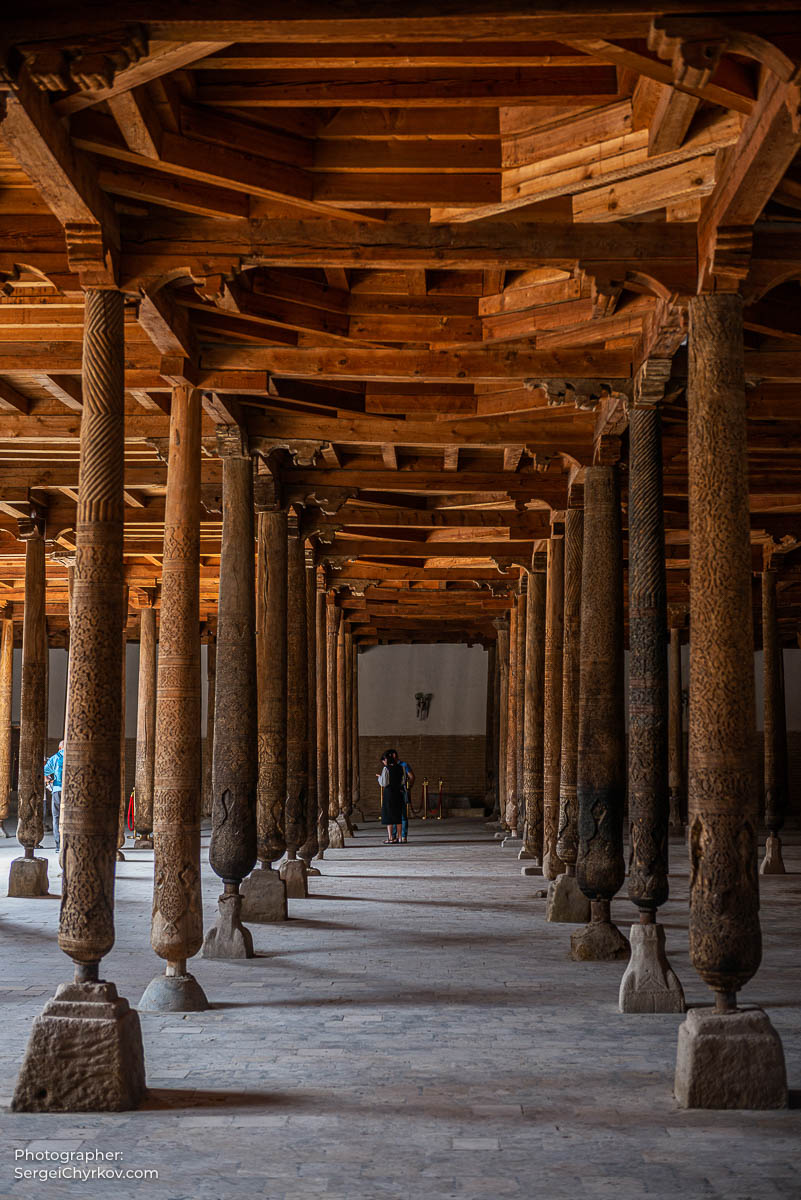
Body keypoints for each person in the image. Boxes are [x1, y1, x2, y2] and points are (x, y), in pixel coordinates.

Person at [377, 749, 405, 844]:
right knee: (398, 815)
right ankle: (400, 837)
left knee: (389, 815)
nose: (383, 762)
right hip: (398, 793)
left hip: (389, 793)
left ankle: (390, 838)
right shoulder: (401, 767)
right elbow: (403, 781)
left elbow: (384, 783)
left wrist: (379, 778)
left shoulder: (386, 769)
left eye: (384, 760)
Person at [389, 748, 415, 844]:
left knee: (401, 814)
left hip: (398, 792)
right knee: (400, 814)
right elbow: (411, 777)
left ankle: (400, 835)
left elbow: (411, 777)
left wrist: (408, 787)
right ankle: (401, 836)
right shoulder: (400, 765)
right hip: (401, 791)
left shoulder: (402, 765)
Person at [43, 740, 64, 853]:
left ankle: (58, 845)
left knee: (56, 818)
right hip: (71, 792)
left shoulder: (55, 757)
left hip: (57, 791)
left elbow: (44, 771)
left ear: (59, 748)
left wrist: (49, 781)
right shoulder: (74, 755)